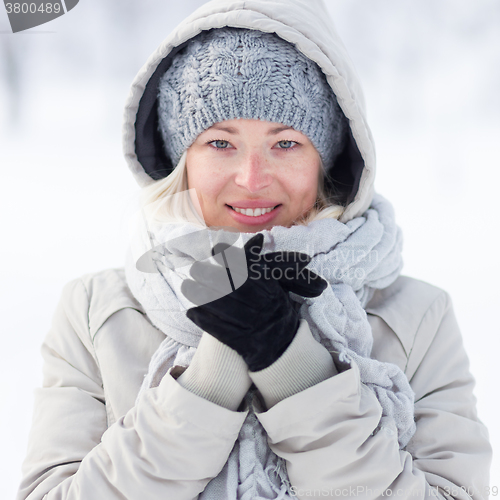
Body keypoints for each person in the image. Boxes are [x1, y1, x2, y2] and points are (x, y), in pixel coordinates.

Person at [17, 0, 492, 499]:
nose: (252, 179)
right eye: (220, 143)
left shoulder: (417, 318)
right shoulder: (96, 313)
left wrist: (295, 367)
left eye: (285, 144)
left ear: (325, 160)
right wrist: (215, 370)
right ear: (183, 160)